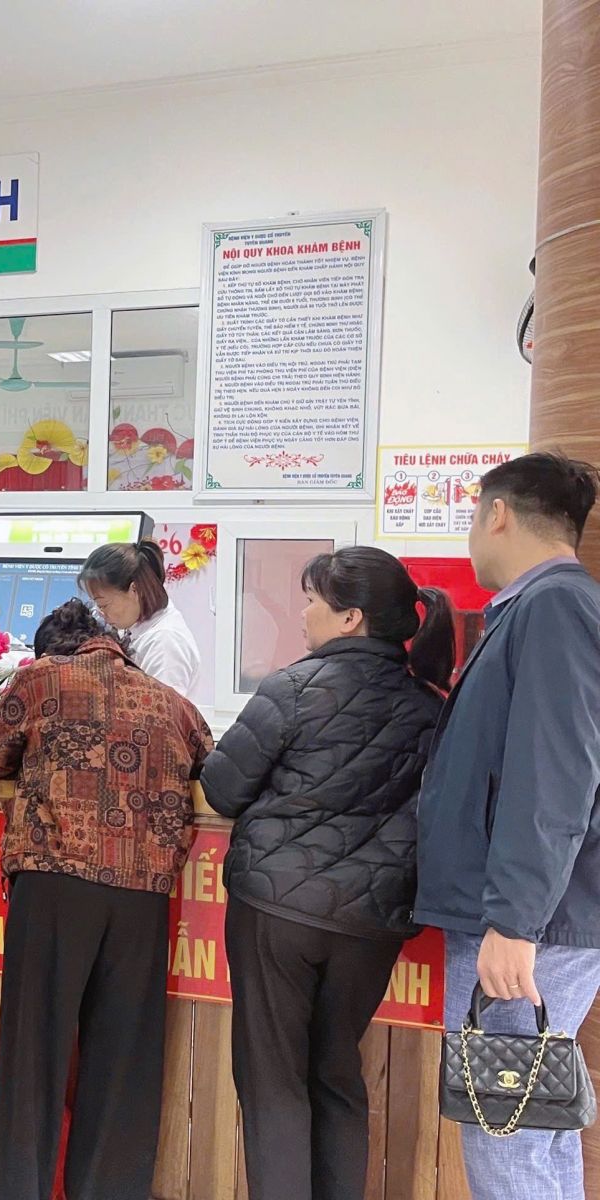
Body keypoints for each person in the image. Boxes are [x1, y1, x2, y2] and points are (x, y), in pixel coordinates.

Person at [201, 547, 455, 1200]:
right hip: (370, 923)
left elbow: (223, 790)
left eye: (312, 600)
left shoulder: (291, 688)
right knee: (338, 1077)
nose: (303, 613)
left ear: (350, 618)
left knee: (274, 1082)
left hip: (277, 914)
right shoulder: (432, 707)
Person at [0, 600, 211, 1200]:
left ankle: (18, 1190)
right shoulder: (172, 702)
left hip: (55, 879)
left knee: (34, 1046)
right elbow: (210, 767)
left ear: (51, 650)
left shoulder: (40, 678)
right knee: (125, 1055)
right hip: (143, 892)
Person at [415, 452, 600, 1199]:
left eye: (472, 517)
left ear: (497, 514)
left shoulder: (554, 607)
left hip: (532, 922)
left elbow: (552, 772)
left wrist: (515, 921)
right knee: (531, 1123)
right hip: (536, 913)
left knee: (505, 1126)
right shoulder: (547, 606)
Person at [79, 540, 202, 700]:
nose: (100, 613)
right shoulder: (134, 625)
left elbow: (162, 711)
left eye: (103, 605)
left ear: (134, 590)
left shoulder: (165, 643)